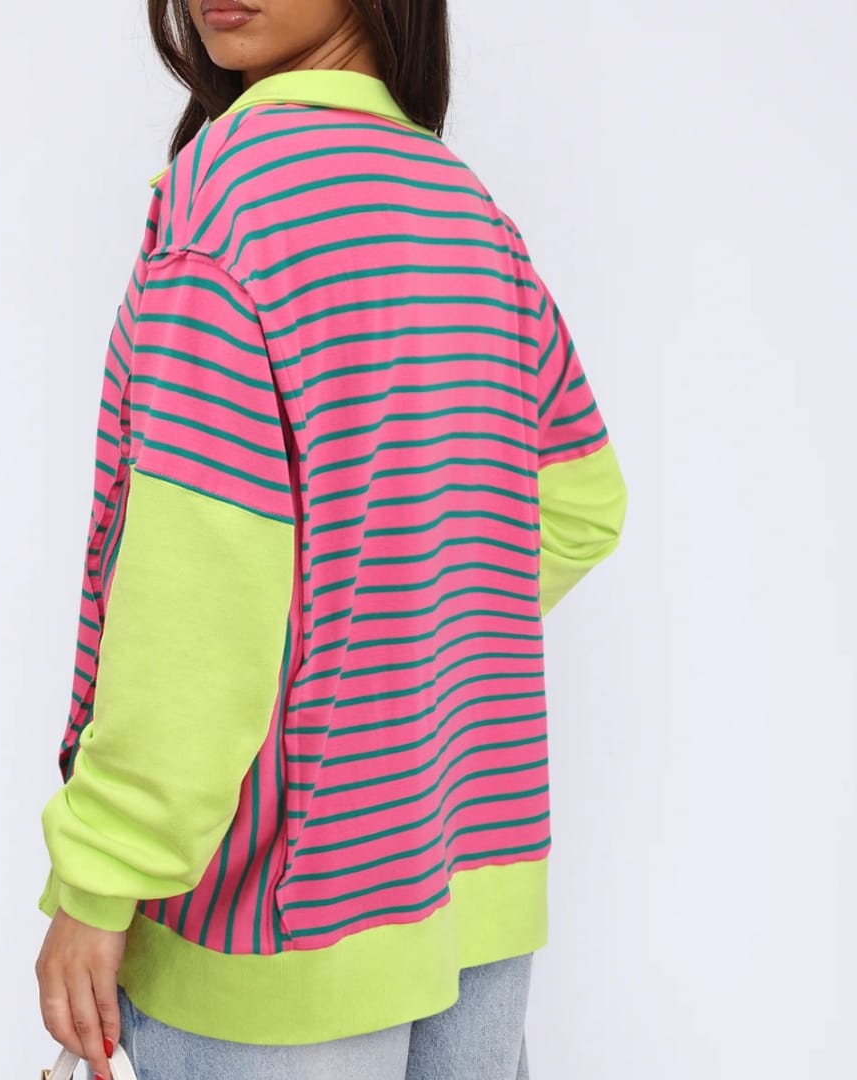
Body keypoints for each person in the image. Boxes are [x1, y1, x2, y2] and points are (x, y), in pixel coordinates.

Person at [34, 1, 628, 1077]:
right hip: (471, 878)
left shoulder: (228, 202)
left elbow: (201, 610)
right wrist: (402, 632)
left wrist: (100, 877)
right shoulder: (462, 206)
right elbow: (579, 501)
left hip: (276, 926)